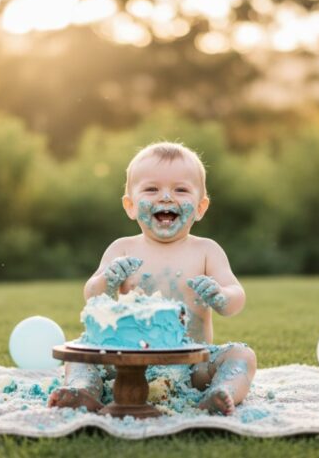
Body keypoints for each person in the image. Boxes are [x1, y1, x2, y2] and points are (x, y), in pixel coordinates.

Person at [47, 142, 256, 415]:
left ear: (201, 207)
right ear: (131, 206)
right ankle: (83, 388)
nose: (166, 197)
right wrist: (108, 281)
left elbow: (235, 298)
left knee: (242, 356)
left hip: (193, 366)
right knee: (80, 356)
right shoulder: (122, 249)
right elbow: (92, 295)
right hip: (124, 364)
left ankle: (222, 391)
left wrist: (221, 295)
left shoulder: (206, 251)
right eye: (151, 189)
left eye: (180, 189)